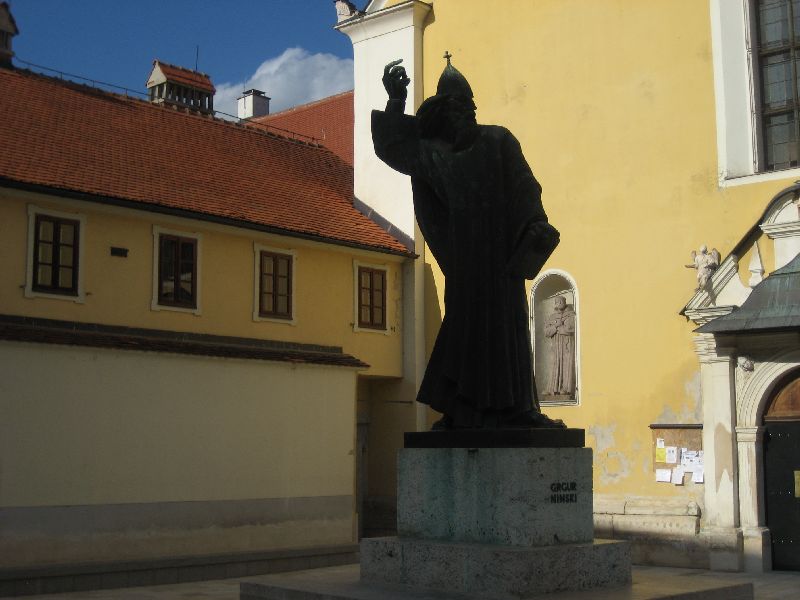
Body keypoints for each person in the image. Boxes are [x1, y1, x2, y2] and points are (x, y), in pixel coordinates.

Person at [372, 54, 564, 429]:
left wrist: (535, 226)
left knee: (508, 330)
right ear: (444, 113)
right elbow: (393, 148)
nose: (466, 114)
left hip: (503, 253)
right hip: (463, 257)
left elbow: (526, 187)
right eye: (458, 108)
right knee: (464, 328)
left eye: (469, 107)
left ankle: (520, 411)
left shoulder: (498, 140)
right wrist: (396, 100)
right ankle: (459, 411)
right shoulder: (434, 154)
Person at [543, 295, 576, 398]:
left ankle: (566, 389)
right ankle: (553, 388)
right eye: (557, 301)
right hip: (556, 345)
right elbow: (547, 332)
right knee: (555, 365)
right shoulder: (552, 317)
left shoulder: (570, 314)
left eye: (561, 301)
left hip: (566, 344)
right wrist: (556, 326)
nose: (559, 303)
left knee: (566, 365)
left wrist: (561, 328)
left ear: (565, 302)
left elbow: (572, 329)